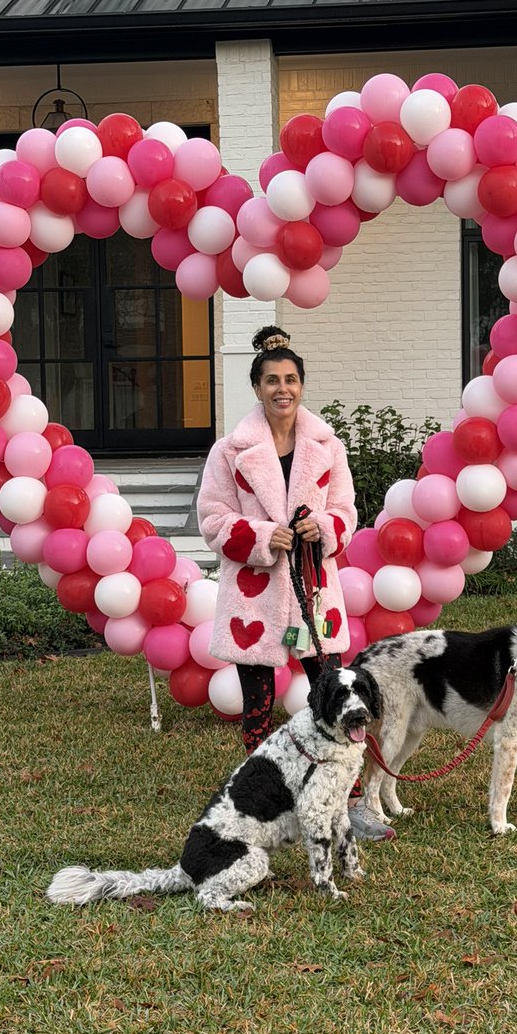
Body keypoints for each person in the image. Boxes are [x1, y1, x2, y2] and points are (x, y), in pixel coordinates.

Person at [197, 325, 394, 841]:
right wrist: (265, 536)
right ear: (257, 387)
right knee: (257, 709)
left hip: (313, 596)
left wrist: (323, 528)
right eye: (271, 380)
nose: (282, 388)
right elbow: (212, 519)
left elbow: (346, 512)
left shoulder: (327, 448)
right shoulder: (228, 451)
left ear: (302, 385)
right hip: (254, 600)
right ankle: (262, 802)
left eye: (290, 379)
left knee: (338, 698)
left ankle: (347, 803)